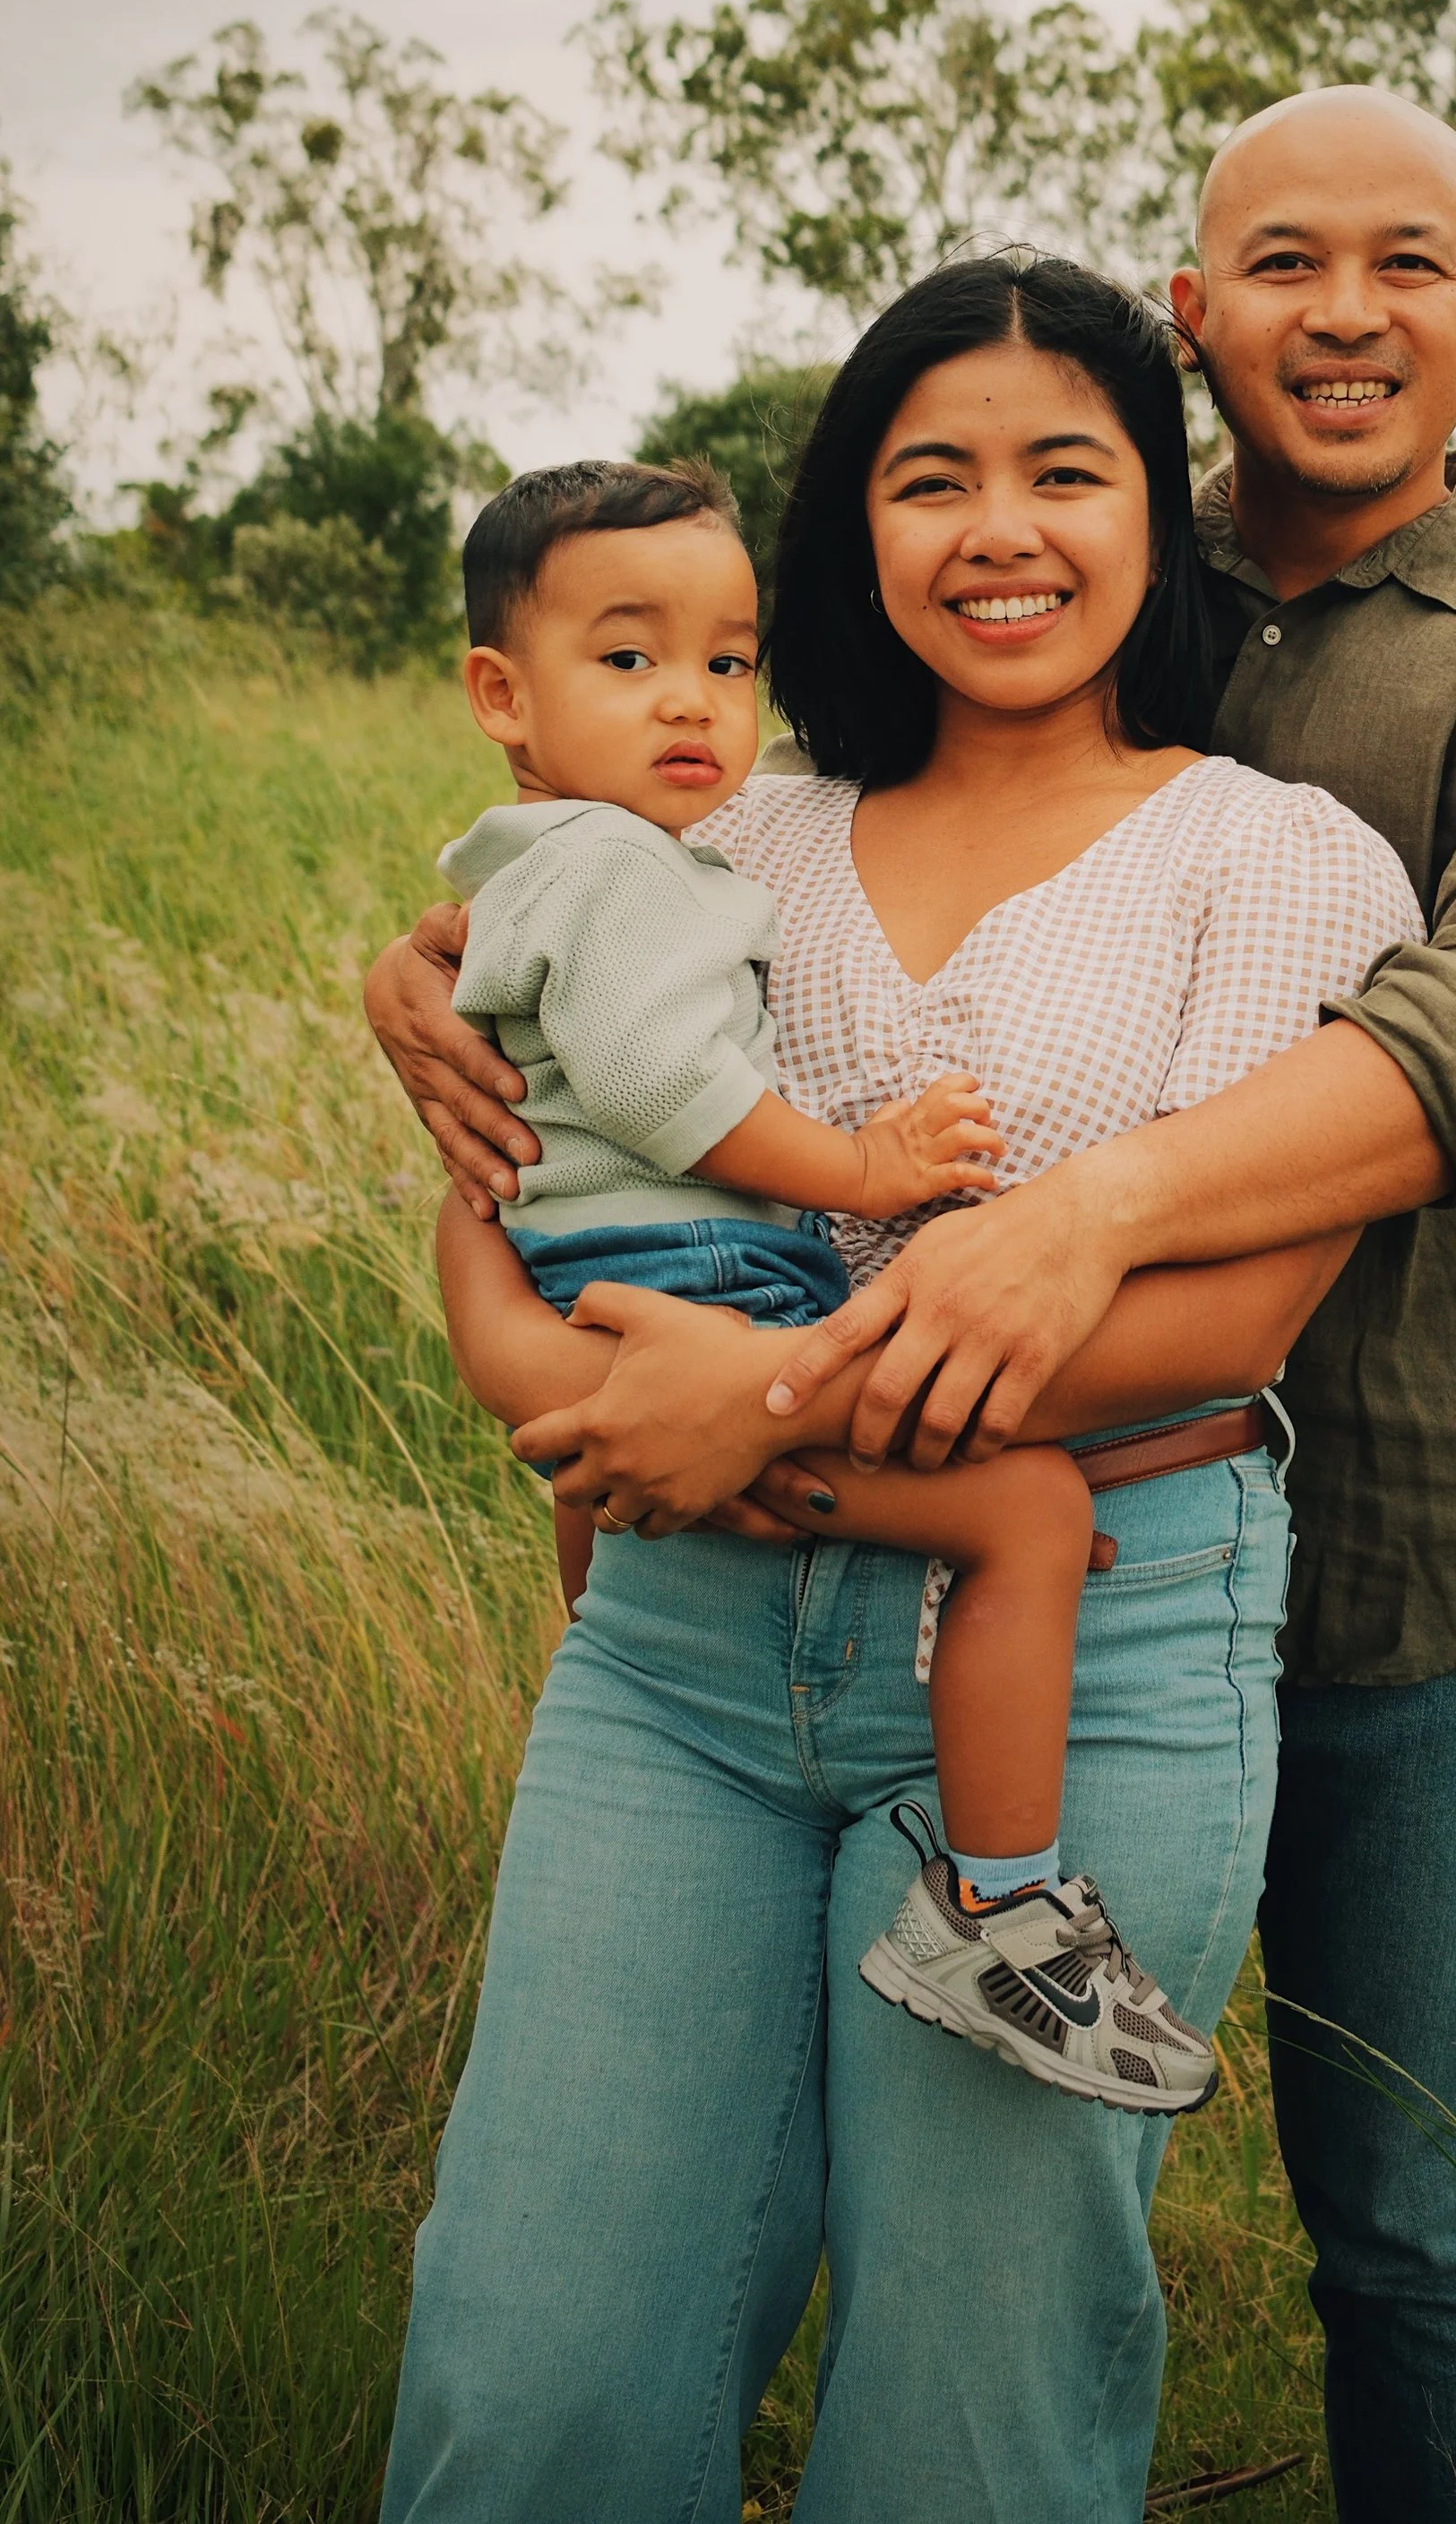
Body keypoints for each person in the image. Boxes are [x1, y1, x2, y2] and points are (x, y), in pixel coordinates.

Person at [372, 254, 1425, 2524]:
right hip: (680, 1653)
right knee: (530, 2369)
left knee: (971, 2412)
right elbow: (516, 1038)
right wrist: (411, 977)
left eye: (1068, 470)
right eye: (929, 477)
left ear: (1161, 513)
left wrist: (757, 1402)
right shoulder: (721, 831)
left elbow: (1234, 1318)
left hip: (1094, 1630)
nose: (1000, 531)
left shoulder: (1275, 856)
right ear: (854, 525)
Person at [435, 447, 1218, 2106]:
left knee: (627, 1479)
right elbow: (667, 1087)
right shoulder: (631, 863)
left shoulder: (536, 857)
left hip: (588, 1266)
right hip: (694, 1258)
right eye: (628, 659)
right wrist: (868, 1168)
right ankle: (1000, 1905)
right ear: (504, 692)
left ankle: (637, 1632)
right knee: (1027, 1516)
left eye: (728, 660)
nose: (692, 705)